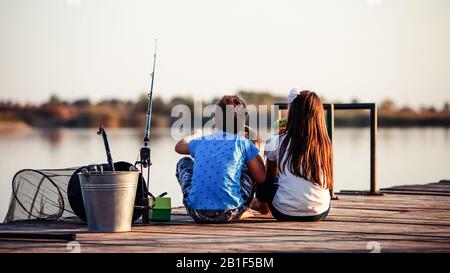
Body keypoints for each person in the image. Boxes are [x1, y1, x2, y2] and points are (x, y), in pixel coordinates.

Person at [174, 95, 266, 223]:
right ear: (243, 119)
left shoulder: (202, 141)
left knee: (184, 163)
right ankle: (246, 207)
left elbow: (179, 147)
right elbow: (261, 177)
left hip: (197, 212)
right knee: (251, 165)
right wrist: (255, 145)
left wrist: (194, 135)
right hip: (229, 212)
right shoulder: (243, 143)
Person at [252, 88, 333, 221]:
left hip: (284, 212)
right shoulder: (325, 143)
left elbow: (269, 175)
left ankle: (261, 203)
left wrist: (275, 135)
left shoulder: (278, 138)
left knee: (268, 180)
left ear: (293, 114)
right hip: (320, 211)